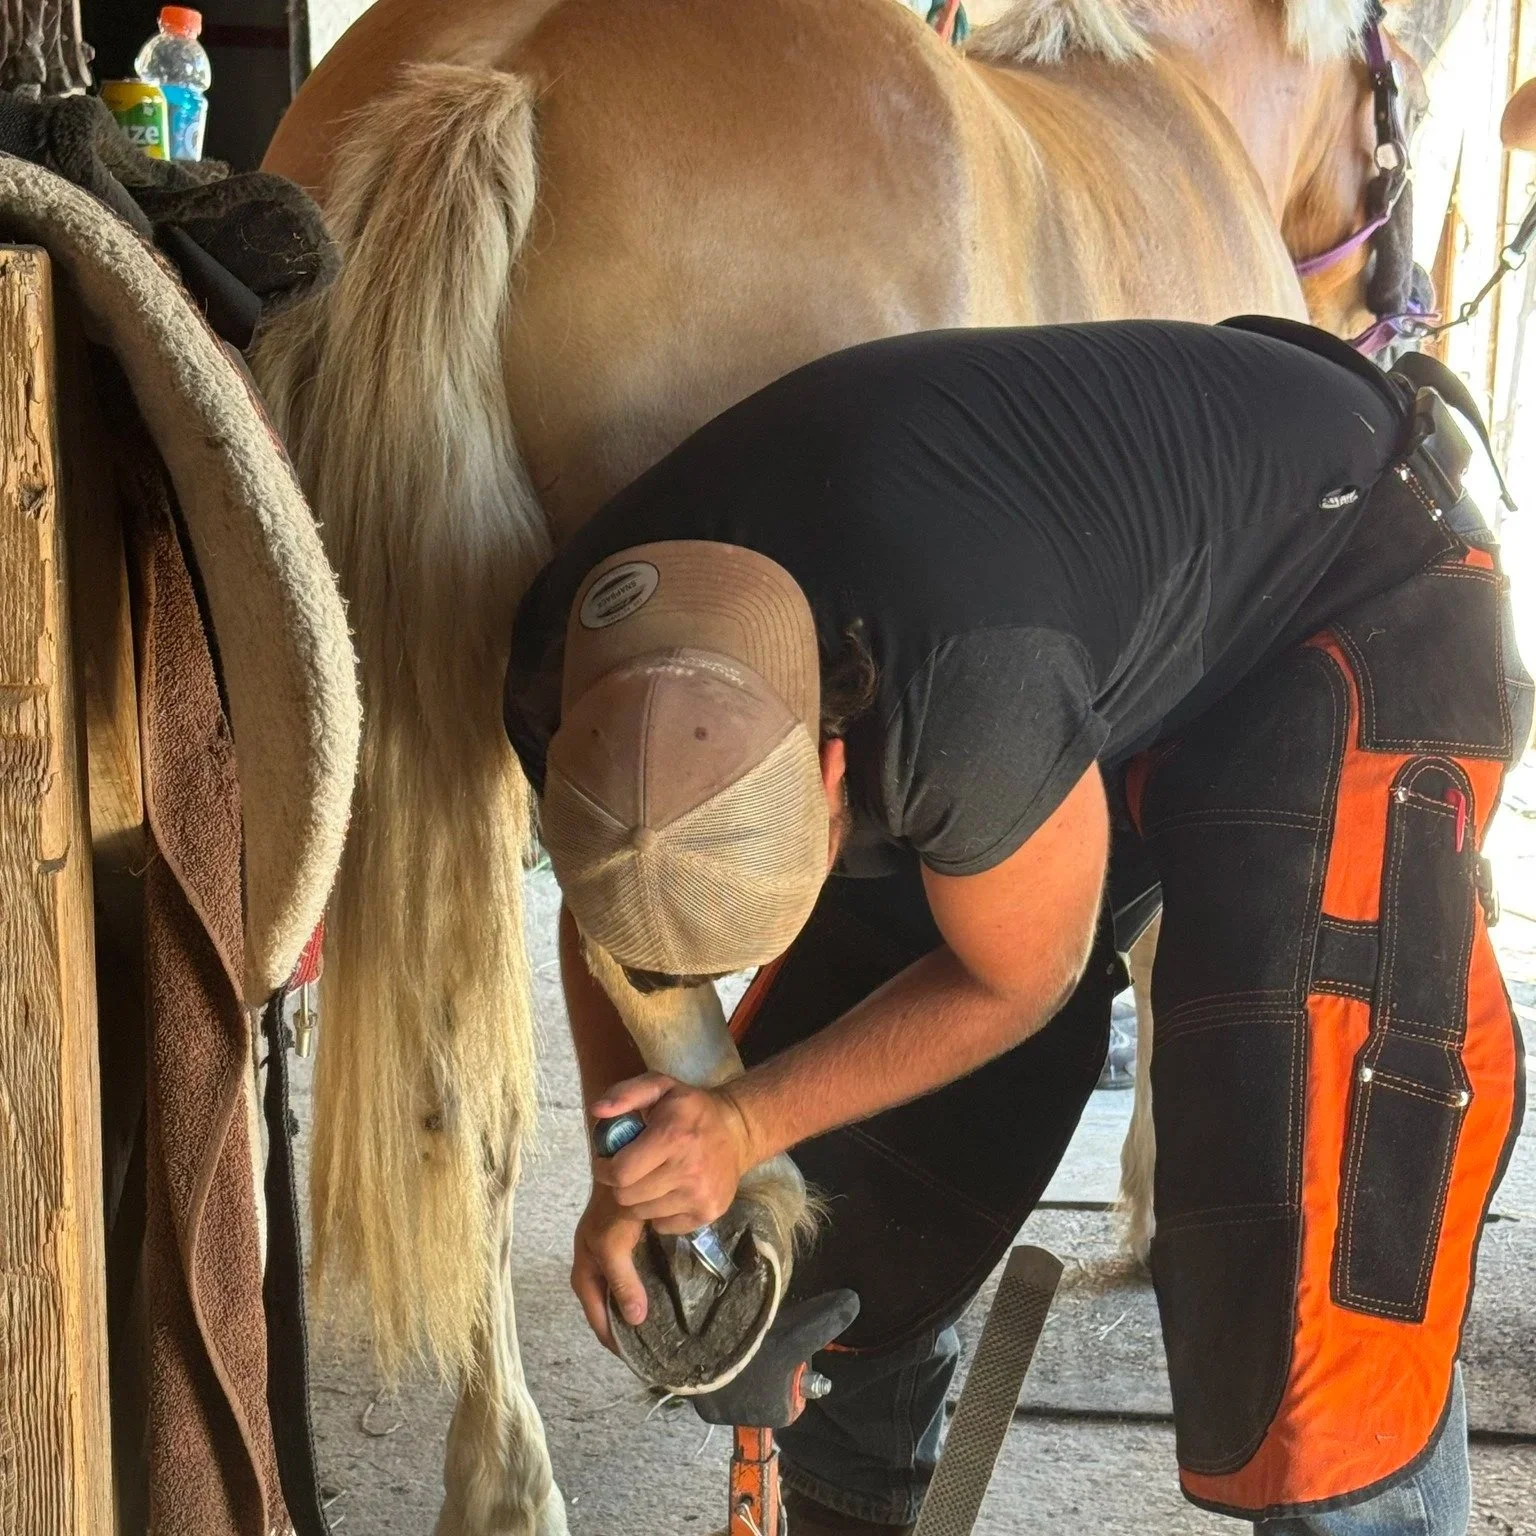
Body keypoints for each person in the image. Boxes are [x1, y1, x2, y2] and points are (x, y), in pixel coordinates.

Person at [504, 317, 1530, 1535]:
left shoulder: (964, 701)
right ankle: (854, 1505)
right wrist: (645, 1159)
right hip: (1057, 626)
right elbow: (620, 928)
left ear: (834, 772)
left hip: (1352, 588)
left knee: (1309, 1242)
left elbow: (1019, 978)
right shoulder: (567, 665)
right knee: (842, 1192)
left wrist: (741, 1116)